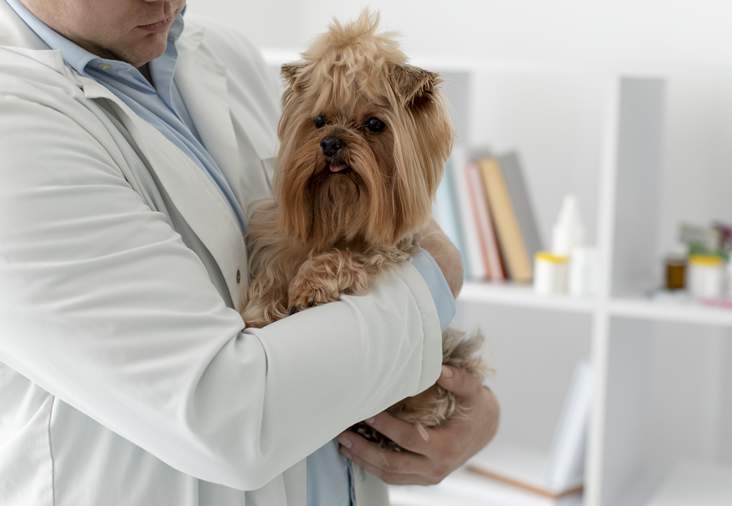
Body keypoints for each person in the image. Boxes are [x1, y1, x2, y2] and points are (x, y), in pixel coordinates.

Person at [0, 1, 499, 505]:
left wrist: (470, 411)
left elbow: (372, 212)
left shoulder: (224, 53)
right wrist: (433, 279)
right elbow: (224, 417)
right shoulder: (14, 121)